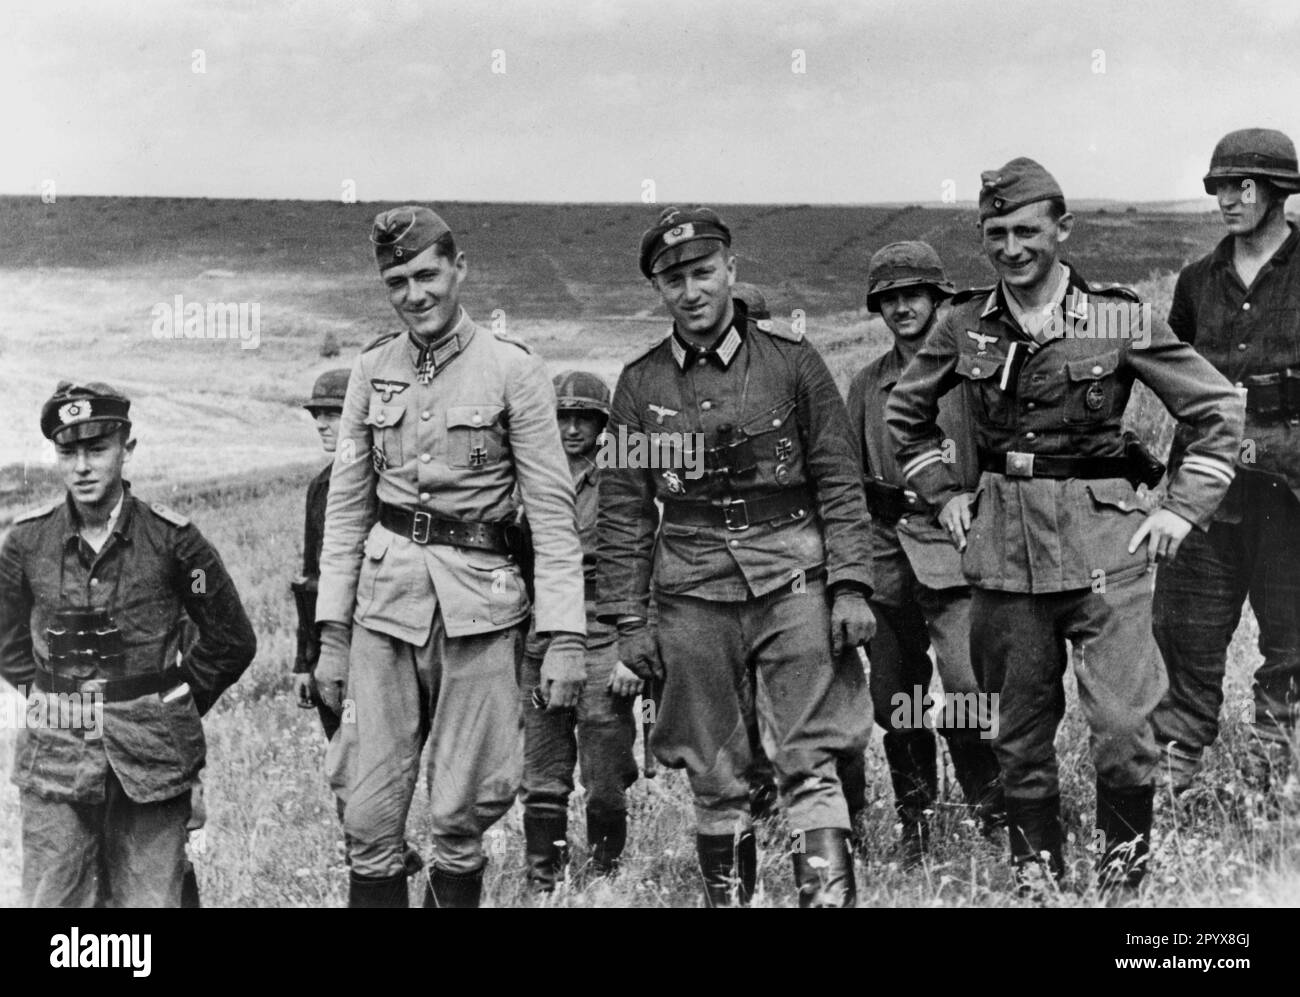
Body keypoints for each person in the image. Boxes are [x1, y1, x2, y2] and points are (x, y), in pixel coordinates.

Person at [886, 159, 1243, 894]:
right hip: (1003, 554)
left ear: (1061, 228)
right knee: (1017, 733)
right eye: (995, 233)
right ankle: (1037, 881)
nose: (1011, 247)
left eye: (1025, 230)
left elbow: (1215, 410)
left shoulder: (1115, 315)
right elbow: (904, 415)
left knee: (1122, 726)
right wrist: (943, 491)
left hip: (1104, 547)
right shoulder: (964, 323)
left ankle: (1122, 885)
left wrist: (1180, 508)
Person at [597, 206, 876, 908]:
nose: (691, 292)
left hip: (793, 580)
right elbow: (626, 510)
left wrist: (850, 585)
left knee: (809, 757)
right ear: (659, 291)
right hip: (692, 591)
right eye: (674, 280)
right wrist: (630, 621)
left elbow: (839, 478)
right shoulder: (639, 386)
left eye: (702, 273)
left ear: (731, 271)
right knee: (713, 768)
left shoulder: (793, 364)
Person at [314, 205, 587, 908]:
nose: (416, 294)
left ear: (459, 269)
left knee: (460, 816)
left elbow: (554, 516)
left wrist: (563, 637)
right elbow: (346, 508)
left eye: (428, 274)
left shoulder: (513, 370)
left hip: (481, 611)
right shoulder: (372, 370)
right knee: (367, 813)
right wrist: (332, 636)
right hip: (384, 609)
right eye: (397, 281)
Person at [0, 381, 257, 907]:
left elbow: (231, 639)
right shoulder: (26, 543)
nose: (82, 466)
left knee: (149, 903)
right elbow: (3, 636)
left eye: (97, 449)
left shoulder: (175, 543)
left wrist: (172, 704)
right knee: (57, 906)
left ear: (127, 450)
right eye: (68, 452)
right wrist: (45, 693)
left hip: (152, 759)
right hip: (56, 760)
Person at [1150, 128, 1300, 795]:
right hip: (1207, 490)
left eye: (1243, 185)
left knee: (1293, 647)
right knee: (1183, 635)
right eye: (1220, 186)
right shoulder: (1197, 282)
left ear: (1277, 192)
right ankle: (1172, 788)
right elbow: (1174, 374)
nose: (1228, 199)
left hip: (1291, 489)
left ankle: (1276, 791)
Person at [845, 241, 1004, 867]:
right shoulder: (867, 384)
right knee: (894, 699)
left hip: (960, 547)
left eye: (914, 294)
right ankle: (918, 822)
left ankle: (992, 814)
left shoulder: (975, 371)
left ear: (941, 299)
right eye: (889, 298)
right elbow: (849, 478)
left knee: (966, 689)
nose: (902, 307)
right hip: (886, 553)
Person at [290, 368, 422, 877]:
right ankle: (372, 856)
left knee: (377, 754)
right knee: (344, 755)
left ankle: (380, 853)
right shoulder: (321, 487)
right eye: (318, 414)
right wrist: (307, 659)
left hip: (384, 634)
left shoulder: (395, 484)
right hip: (333, 642)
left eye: (334, 413)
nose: (324, 424)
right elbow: (310, 579)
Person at [520, 370, 641, 892]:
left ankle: (605, 875)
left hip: (604, 624)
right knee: (542, 770)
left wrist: (637, 649)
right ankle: (542, 879)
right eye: (562, 418)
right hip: (541, 629)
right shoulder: (526, 475)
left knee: (605, 774)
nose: (571, 430)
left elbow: (644, 560)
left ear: (603, 425)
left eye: (583, 419)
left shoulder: (624, 479)